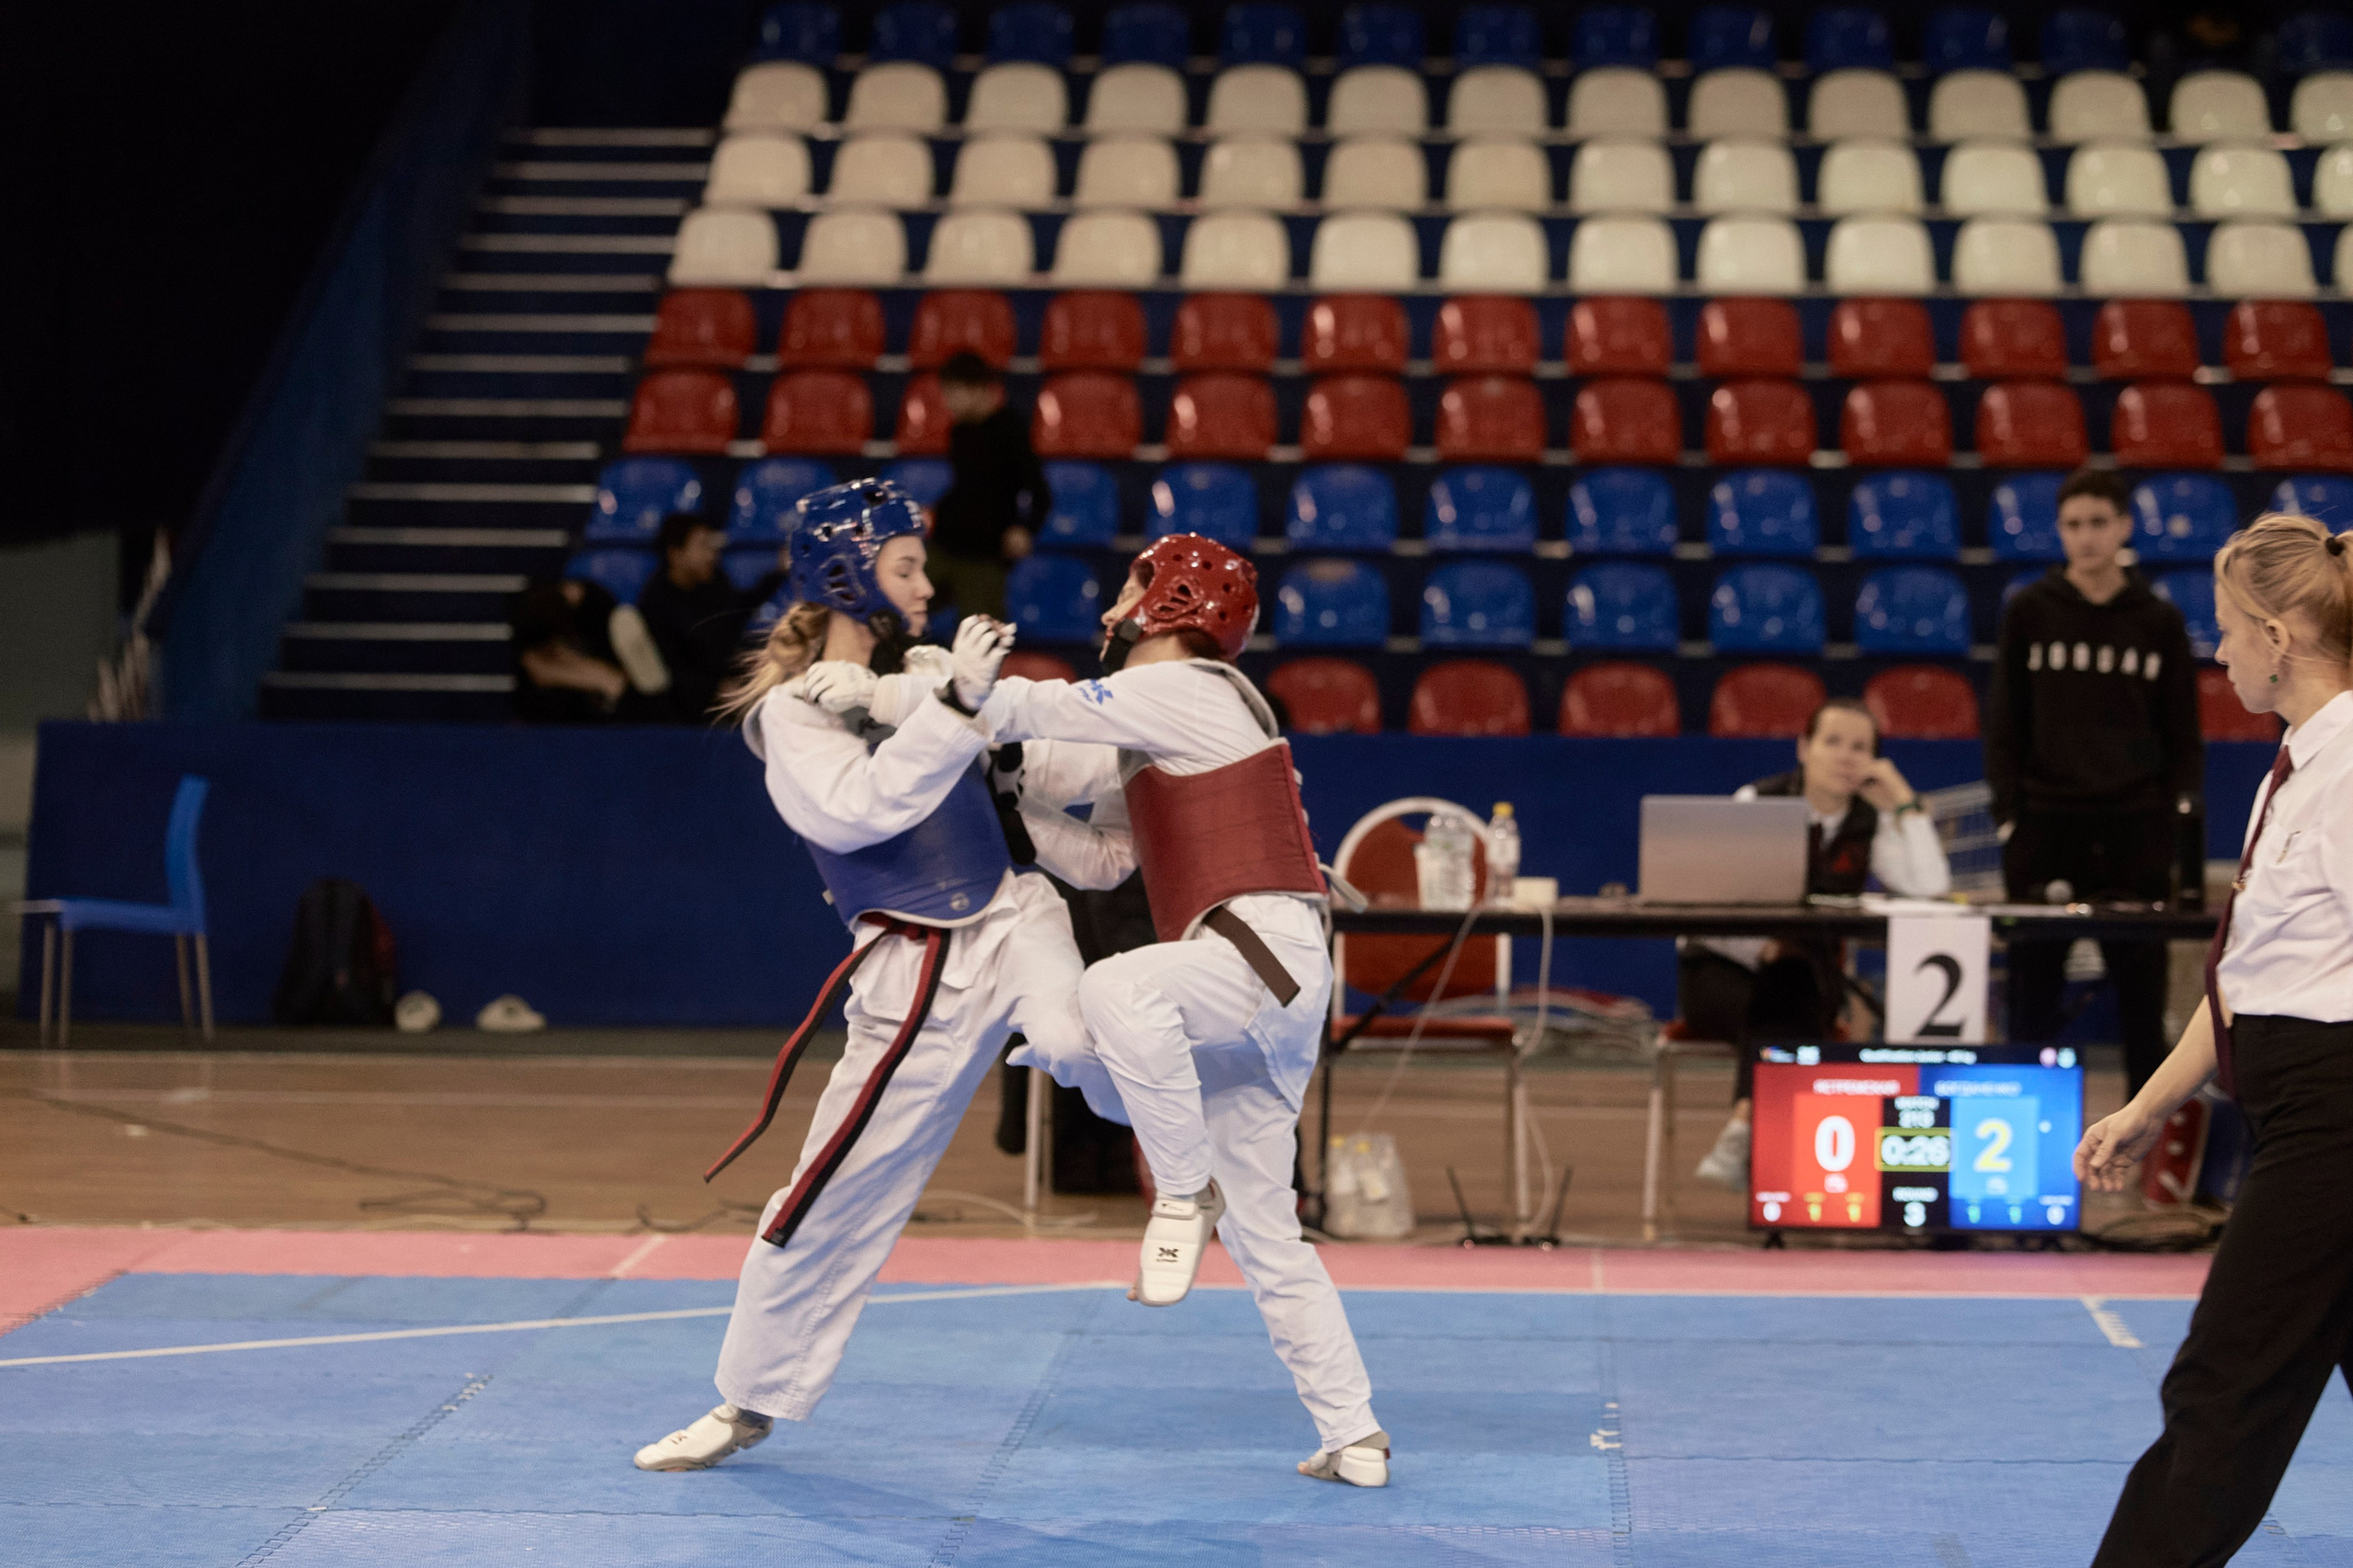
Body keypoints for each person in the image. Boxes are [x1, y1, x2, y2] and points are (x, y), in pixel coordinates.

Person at [631, 479, 1115, 1472]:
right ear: (849, 578)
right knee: (831, 1188)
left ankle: (1194, 1171)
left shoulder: (928, 672)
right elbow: (865, 811)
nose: (927, 583)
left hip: (1015, 918)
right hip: (913, 974)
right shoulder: (789, 720)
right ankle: (745, 1398)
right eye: (906, 568)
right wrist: (954, 706)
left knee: (1080, 1040)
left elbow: (1041, 772)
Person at [975, 533, 1392, 1490]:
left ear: (1171, 598)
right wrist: (1005, 793)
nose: (1113, 602)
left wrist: (912, 694)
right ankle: (1354, 1431)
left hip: (1255, 956)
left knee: (1114, 986)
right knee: (1261, 1228)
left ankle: (1178, 1192)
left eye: (1132, 582)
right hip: (1265, 982)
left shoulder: (1188, 690)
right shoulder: (1160, 722)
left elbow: (1030, 708)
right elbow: (1100, 859)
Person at [2077, 513, 2353, 1567]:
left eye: (2231, 627)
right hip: (2299, 1106)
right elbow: (2244, 978)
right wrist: (2148, 1106)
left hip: (2332, 1121)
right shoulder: (2293, 767)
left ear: (2281, 636)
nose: (2218, 647)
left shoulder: (2341, 776)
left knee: (2222, 1387)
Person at [1988, 468, 2202, 1098]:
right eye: (2074, 525)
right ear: (2060, 531)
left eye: (2098, 524)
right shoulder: (2028, 611)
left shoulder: (2158, 621)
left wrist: (2171, 825)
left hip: (2135, 831)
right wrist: (2011, 818)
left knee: (2142, 1001)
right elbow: (2003, 723)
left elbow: (2183, 737)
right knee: (2032, 995)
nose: (2085, 538)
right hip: (2045, 828)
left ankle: (2149, 1151)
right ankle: (2021, 1129)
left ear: (2124, 528)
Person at [1688, 698, 1952, 1186]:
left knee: (1790, 991)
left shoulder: (1871, 822)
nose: (1846, 757)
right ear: (1804, 748)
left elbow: (1930, 885)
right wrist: (1758, 948)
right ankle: (1757, 1147)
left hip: (1800, 978)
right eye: (1832, 742)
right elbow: (1704, 907)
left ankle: (1744, 1135)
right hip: (1720, 972)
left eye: (1861, 748)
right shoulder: (1757, 801)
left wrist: (1904, 800)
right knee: (1783, 1007)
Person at [926, 351, 1049, 620]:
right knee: (897, 611)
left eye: (951, 392)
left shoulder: (1011, 430)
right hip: (944, 543)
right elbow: (965, 487)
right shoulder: (959, 431)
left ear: (977, 389)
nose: (947, 402)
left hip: (985, 555)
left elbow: (1040, 492)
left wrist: (1025, 529)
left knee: (981, 636)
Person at [636, 512, 787, 722]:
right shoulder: (655, 601)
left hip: (730, 686)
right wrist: (716, 689)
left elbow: (737, 613)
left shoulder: (716, 582)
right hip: (685, 712)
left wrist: (779, 573)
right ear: (675, 554)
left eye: (712, 546)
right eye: (702, 546)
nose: (712, 554)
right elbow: (671, 670)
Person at [509, 576, 668, 722]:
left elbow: (618, 681)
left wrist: (602, 678)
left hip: (614, 712)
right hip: (556, 722)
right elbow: (535, 669)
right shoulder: (529, 620)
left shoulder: (597, 606)